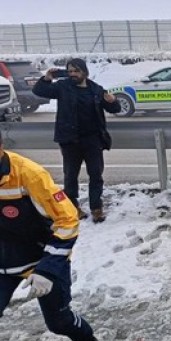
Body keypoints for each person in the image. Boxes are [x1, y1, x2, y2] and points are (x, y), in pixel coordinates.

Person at [0, 133, 101, 341]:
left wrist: (47, 268)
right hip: (2, 261)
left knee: (58, 321)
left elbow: (67, 220)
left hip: (41, 257)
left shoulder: (29, 175)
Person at [32, 58, 121, 223]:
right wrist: (46, 78)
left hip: (92, 140)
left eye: (76, 71)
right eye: (70, 71)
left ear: (85, 72)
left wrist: (113, 101)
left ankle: (96, 208)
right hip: (69, 140)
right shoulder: (62, 87)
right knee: (70, 176)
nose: (73, 74)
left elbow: (114, 108)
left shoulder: (96, 89)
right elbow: (39, 91)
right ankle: (73, 207)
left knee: (96, 175)